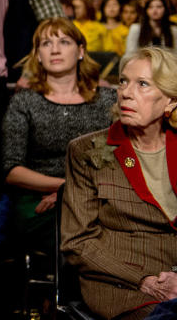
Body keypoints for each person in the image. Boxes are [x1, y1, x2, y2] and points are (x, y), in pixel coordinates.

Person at [62, 47, 177, 320]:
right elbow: (77, 241)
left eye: (142, 84)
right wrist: (145, 279)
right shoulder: (86, 150)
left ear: (170, 102)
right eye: (123, 81)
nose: (126, 92)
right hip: (125, 287)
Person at [1, 18, 114, 255]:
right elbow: (12, 170)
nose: (55, 49)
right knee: (74, 225)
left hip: (102, 194)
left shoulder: (107, 100)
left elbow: (122, 159)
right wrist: (66, 189)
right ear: (38, 55)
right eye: (46, 43)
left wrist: (80, 192)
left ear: (80, 51)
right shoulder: (24, 101)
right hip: (40, 198)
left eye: (64, 41)